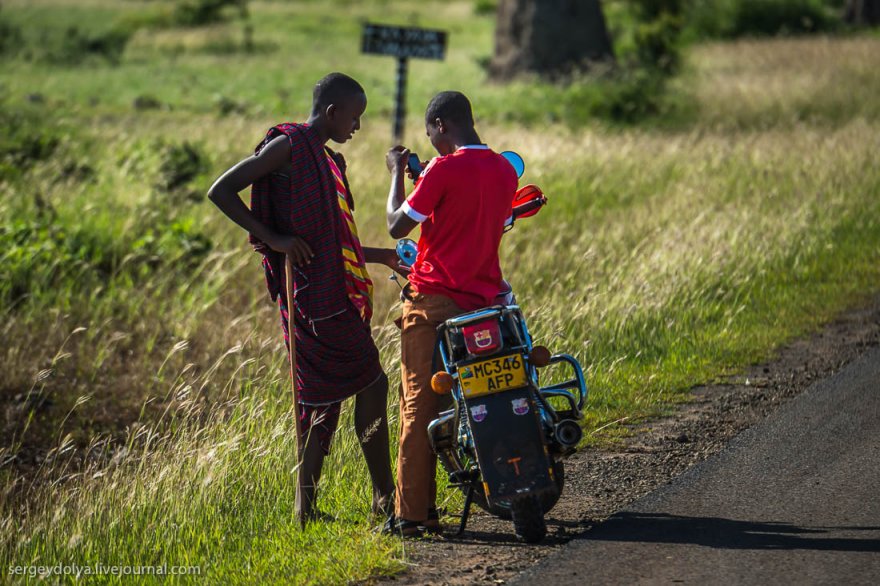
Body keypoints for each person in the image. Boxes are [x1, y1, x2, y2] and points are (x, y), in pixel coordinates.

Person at [207, 72, 399, 525]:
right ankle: (385, 496)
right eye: (355, 118)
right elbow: (221, 190)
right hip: (312, 300)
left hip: (328, 291)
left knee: (323, 401)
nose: (357, 127)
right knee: (371, 384)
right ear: (332, 112)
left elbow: (333, 240)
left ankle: (306, 509)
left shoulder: (327, 159)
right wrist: (273, 237)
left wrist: (383, 256)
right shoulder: (290, 146)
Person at [383, 91, 518, 536]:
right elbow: (470, 217)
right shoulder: (503, 169)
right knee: (477, 397)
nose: (434, 144)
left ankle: (410, 516)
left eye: (432, 134)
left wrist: (397, 176)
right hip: (483, 304)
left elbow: (396, 225)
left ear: (441, 124)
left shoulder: (443, 168)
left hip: (434, 301)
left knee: (418, 404)